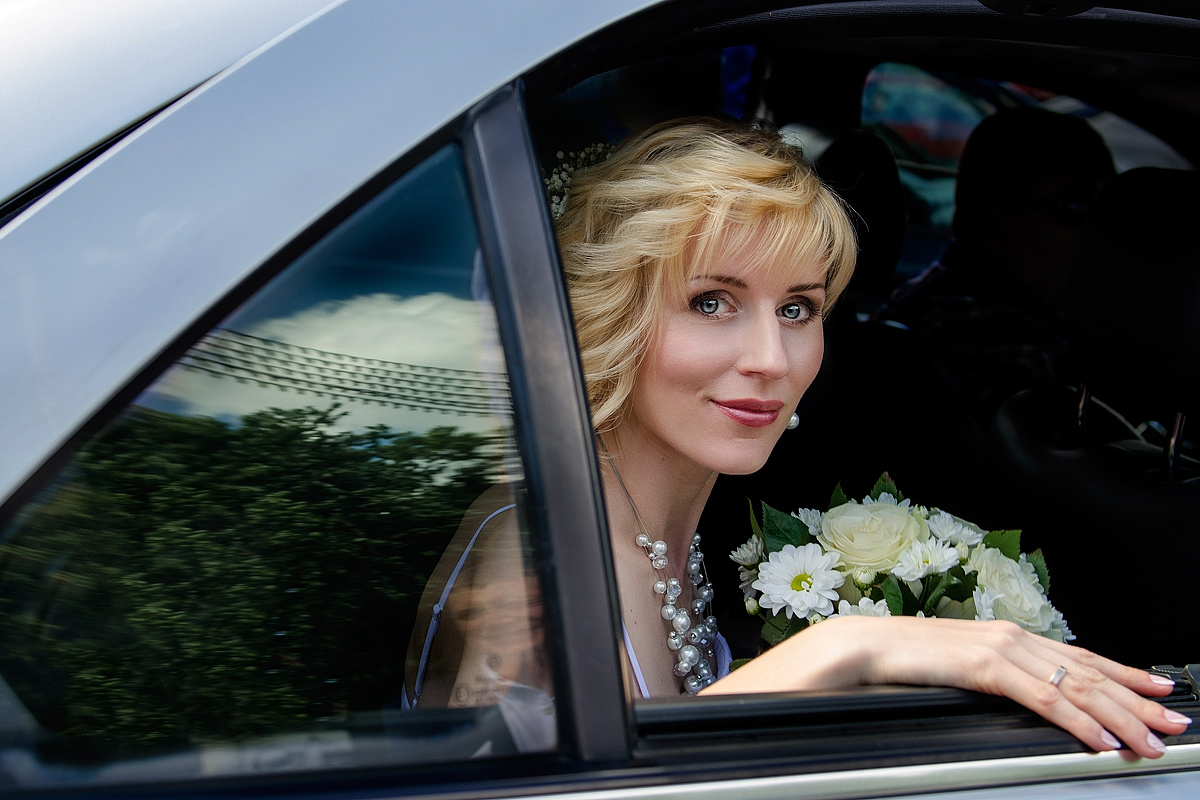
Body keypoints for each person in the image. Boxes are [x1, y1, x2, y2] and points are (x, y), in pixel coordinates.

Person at [408, 117, 1187, 758]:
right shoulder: (537, 568)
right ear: (613, 317)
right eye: (712, 302)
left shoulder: (659, 529)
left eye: (797, 309)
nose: (772, 361)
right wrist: (843, 647)